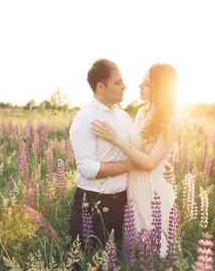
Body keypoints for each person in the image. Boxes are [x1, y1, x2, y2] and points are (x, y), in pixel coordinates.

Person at [68, 59, 172, 251]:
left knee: (120, 265)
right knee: (81, 266)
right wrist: (135, 165)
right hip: (92, 202)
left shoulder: (123, 117)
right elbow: (87, 169)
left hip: (125, 200)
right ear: (101, 86)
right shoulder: (85, 118)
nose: (125, 86)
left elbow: (146, 147)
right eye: (118, 82)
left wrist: (164, 164)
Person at [91, 63, 181, 257]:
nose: (140, 86)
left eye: (146, 84)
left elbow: (149, 163)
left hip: (153, 187)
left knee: (156, 248)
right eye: (142, 82)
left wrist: (115, 138)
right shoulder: (141, 112)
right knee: (135, 248)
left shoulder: (172, 119)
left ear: (160, 88)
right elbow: (136, 150)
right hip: (133, 185)